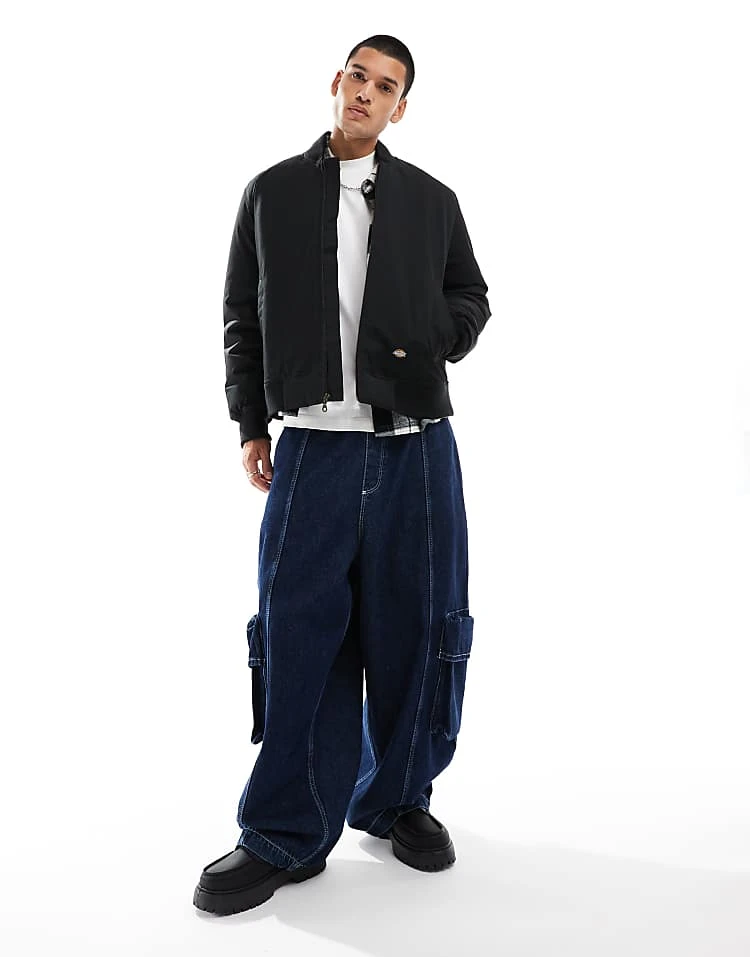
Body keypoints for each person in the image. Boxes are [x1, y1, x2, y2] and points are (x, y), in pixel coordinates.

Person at [194, 34, 491, 916]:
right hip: (315, 447)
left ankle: (397, 799)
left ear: (401, 107)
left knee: (417, 626)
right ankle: (285, 830)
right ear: (336, 82)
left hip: (415, 444)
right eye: (358, 75)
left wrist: (431, 340)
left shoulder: (431, 200)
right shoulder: (272, 193)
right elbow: (241, 314)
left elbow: (471, 297)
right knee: (299, 637)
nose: (367, 92)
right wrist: (251, 422)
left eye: (386, 86)